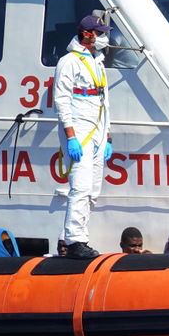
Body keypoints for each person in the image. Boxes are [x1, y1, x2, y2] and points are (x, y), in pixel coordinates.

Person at [54, 14, 113, 260]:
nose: (103, 38)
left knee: (93, 189)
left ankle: (79, 235)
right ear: (87, 35)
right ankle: (75, 239)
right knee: (80, 186)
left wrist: (107, 136)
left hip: (97, 128)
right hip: (79, 129)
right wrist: (70, 136)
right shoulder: (69, 62)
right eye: (99, 34)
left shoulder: (97, 62)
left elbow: (105, 101)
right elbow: (61, 99)